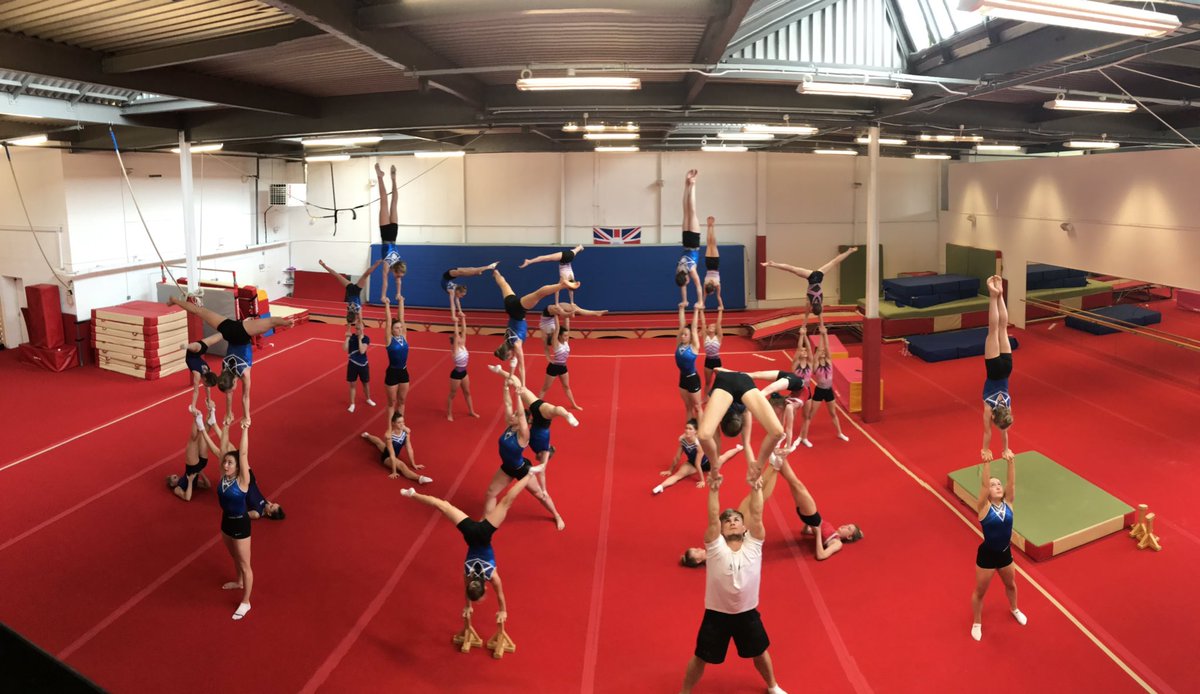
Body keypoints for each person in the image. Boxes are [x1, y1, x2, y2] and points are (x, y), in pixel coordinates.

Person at [679, 476, 786, 694]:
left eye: (736, 519)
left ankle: (773, 687)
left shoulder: (754, 543)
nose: (732, 522)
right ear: (721, 530)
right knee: (700, 658)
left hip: (747, 613)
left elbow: (757, 513)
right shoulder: (715, 546)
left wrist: (756, 488)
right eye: (727, 521)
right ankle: (684, 692)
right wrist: (714, 490)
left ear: (744, 526)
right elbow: (711, 517)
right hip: (716, 615)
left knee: (760, 652)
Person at [400, 469, 542, 624]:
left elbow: (500, 595)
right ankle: (412, 494)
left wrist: (503, 611)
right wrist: (468, 606)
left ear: (485, 588)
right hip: (470, 533)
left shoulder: (492, 577)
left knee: (506, 501)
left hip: (484, 533)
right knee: (444, 506)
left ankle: (529, 474)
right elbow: (468, 590)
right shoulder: (467, 574)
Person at [167, 295, 292, 420]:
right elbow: (229, 393)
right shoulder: (224, 371)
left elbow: (245, 397)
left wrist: (246, 417)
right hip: (228, 330)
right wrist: (229, 413)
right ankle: (174, 300)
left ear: (234, 381)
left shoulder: (244, 373)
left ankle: (287, 322)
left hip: (243, 332)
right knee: (198, 311)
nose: (231, 392)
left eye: (231, 389)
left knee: (271, 322)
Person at [480, 367, 567, 528]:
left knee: (540, 495)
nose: (511, 415)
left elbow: (520, 415)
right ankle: (485, 522)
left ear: (523, 422)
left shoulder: (524, 435)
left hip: (522, 469)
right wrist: (506, 388)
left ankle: (557, 515)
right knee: (490, 493)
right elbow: (507, 403)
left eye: (514, 415)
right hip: (507, 467)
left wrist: (519, 397)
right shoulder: (510, 425)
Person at [697, 369, 794, 484]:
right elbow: (745, 444)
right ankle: (755, 467)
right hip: (738, 380)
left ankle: (757, 468)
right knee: (777, 432)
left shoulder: (743, 411)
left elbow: (714, 441)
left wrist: (715, 464)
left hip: (726, 382)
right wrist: (715, 467)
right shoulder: (742, 410)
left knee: (778, 432)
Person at [491, 267, 580, 387]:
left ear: (509, 353)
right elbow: (513, 360)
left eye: (509, 357)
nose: (511, 357)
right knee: (503, 284)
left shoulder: (517, 345)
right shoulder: (506, 341)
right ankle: (495, 271)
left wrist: (523, 386)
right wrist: (511, 374)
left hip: (519, 311)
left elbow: (522, 367)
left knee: (539, 294)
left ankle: (562, 285)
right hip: (509, 307)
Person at [971, 454, 1026, 641]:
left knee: (1011, 584)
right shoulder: (984, 508)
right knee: (980, 591)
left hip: (1005, 553)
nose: (997, 486)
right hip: (987, 555)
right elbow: (984, 486)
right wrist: (986, 462)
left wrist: (1011, 462)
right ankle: (977, 622)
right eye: (993, 485)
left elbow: (1012, 483)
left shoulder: (1008, 504)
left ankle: (1015, 609)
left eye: (998, 484)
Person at [216, 414, 253, 621]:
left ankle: (246, 601)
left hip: (240, 523)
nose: (226, 465)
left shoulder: (242, 481)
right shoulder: (223, 477)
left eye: (230, 463)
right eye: (226, 463)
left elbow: (244, 453)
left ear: (238, 467)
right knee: (234, 556)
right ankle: (238, 581)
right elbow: (223, 450)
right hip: (226, 522)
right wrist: (225, 425)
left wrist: (245, 428)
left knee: (245, 562)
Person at [795, 316, 849, 446]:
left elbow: (826, 348)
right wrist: (816, 335)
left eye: (825, 352)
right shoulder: (814, 365)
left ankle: (839, 433)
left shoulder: (829, 362)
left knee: (833, 413)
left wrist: (824, 334)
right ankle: (803, 436)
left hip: (829, 390)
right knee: (810, 415)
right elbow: (819, 350)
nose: (823, 352)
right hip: (819, 391)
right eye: (821, 352)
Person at [653, 418, 742, 495]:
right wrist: (670, 470)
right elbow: (677, 457)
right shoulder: (682, 440)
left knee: (723, 457)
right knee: (678, 475)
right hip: (692, 463)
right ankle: (661, 486)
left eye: (690, 429)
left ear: (695, 431)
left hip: (707, 463)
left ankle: (737, 449)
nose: (687, 430)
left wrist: (702, 480)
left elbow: (698, 463)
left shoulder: (698, 444)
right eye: (686, 428)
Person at [761, 246, 858, 316]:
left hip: (819, 277)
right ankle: (772, 264)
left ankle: (849, 251)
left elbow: (817, 298)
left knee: (834, 262)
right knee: (791, 269)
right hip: (811, 278)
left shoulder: (821, 300)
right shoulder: (810, 300)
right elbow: (809, 293)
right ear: (812, 308)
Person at [981, 275, 1014, 463]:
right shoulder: (989, 409)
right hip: (993, 368)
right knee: (993, 330)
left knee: (1002, 329)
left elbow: (1004, 431)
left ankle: (1000, 293)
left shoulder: (1007, 407)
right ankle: (993, 295)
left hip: (1008, 368)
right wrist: (985, 450)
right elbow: (988, 432)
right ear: (994, 415)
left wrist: (1006, 448)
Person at [362, 412, 433, 484]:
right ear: (393, 423)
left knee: (379, 443)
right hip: (388, 457)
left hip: (390, 451)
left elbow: (409, 448)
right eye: (399, 422)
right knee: (402, 465)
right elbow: (392, 454)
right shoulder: (390, 437)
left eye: (403, 421)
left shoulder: (405, 433)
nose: (402, 424)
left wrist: (413, 464)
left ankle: (367, 435)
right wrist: (394, 471)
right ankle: (419, 478)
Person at [166, 409, 221, 501]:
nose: (178, 476)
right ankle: (196, 417)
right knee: (193, 440)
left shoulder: (186, 479)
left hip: (198, 466)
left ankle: (210, 412)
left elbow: (206, 486)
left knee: (203, 435)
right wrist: (192, 480)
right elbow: (188, 497)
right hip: (194, 468)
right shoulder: (177, 489)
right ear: (172, 484)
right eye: (175, 477)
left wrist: (199, 473)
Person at [318, 258, 384, 322]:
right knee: (337, 275)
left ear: (355, 317)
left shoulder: (357, 309)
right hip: (350, 289)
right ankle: (323, 265)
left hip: (356, 290)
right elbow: (351, 318)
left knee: (365, 275)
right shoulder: (349, 309)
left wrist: (360, 324)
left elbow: (360, 319)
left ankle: (376, 264)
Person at [375, 163, 408, 288]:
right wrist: (384, 295)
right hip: (385, 234)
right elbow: (385, 280)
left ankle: (393, 178)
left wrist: (399, 293)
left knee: (394, 203)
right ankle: (380, 177)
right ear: (396, 271)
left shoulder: (398, 260)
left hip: (394, 234)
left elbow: (398, 281)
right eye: (398, 275)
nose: (397, 278)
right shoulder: (387, 263)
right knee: (384, 201)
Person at [539, 315, 581, 411]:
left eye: (567, 335)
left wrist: (567, 314)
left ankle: (574, 404)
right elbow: (557, 328)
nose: (567, 337)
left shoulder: (566, 342)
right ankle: (535, 406)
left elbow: (567, 325)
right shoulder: (556, 343)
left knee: (566, 386)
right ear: (559, 336)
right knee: (545, 388)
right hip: (553, 368)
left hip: (563, 367)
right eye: (565, 335)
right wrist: (556, 315)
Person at [520, 244, 584, 304]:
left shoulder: (572, 278)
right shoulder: (564, 280)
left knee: (577, 249)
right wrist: (557, 303)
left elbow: (571, 291)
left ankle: (579, 247)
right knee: (546, 258)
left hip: (570, 256)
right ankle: (529, 261)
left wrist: (571, 302)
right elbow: (557, 291)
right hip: (564, 258)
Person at [447, 311, 480, 421]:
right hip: (456, 374)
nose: (461, 337)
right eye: (459, 337)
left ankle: (471, 411)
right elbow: (457, 334)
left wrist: (463, 318)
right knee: (452, 394)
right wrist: (456, 323)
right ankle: (449, 414)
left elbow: (464, 331)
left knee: (467, 392)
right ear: (456, 341)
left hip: (464, 373)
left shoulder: (463, 346)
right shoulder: (455, 349)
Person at [381, 294, 410, 418]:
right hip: (392, 372)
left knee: (402, 401)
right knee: (392, 402)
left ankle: (400, 425)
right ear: (392, 330)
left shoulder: (404, 336)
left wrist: (401, 302)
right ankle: (390, 427)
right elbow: (388, 321)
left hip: (404, 372)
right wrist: (387, 304)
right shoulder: (389, 340)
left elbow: (401, 318)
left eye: (400, 327)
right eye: (396, 328)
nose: (399, 329)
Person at [184, 333, 222, 423]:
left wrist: (209, 399)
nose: (205, 386)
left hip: (201, 349)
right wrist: (193, 406)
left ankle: (238, 324)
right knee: (195, 346)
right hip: (192, 351)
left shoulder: (208, 370)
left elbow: (207, 388)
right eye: (206, 384)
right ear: (205, 379)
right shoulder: (197, 375)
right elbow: (196, 391)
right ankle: (187, 346)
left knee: (221, 335)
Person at [676, 302, 703, 422]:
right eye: (682, 335)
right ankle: (689, 430)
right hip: (683, 378)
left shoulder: (694, 347)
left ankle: (701, 431)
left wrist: (696, 310)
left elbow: (693, 328)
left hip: (693, 378)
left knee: (697, 407)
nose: (682, 336)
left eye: (685, 335)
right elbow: (682, 326)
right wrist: (681, 309)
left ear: (691, 336)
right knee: (688, 407)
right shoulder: (679, 344)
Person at [345, 313, 375, 413]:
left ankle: (368, 398)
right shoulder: (351, 337)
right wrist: (347, 338)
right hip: (352, 364)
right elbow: (345, 349)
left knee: (365, 383)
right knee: (352, 384)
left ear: (363, 329)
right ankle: (352, 404)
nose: (358, 330)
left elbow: (362, 351)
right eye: (356, 328)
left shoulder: (366, 338)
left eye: (360, 328)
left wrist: (359, 339)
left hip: (363, 365)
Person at [700, 306, 723, 396]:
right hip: (708, 361)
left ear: (716, 329)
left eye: (714, 326)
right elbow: (703, 322)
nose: (712, 326)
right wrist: (701, 310)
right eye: (710, 326)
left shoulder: (719, 337)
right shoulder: (705, 337)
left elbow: (719, 323)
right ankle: (706, 397)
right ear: (707, 328)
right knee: (707, 382)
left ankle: (719, 397)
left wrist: (720, 311)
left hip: (717, 361)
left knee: (720, 382)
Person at [702, 215, 723, 309]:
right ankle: (709, 226)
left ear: (713, 289)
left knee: (713, 244)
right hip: (708, 264)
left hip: (715, 264)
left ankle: (712, 226)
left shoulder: (717, 285)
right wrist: (702, 304)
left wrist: (721, 306)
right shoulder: (705, 284)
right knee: (709, 243)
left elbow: (718, 297)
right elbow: (704, 297)